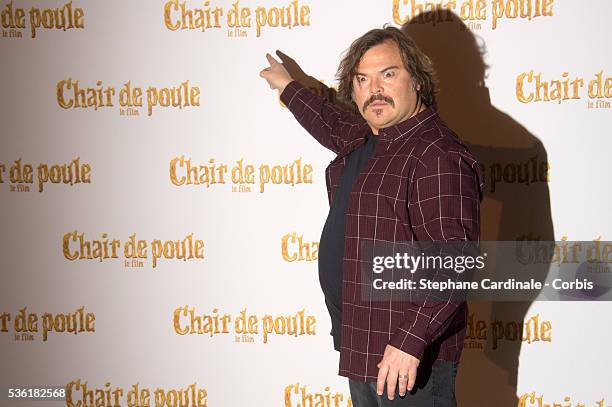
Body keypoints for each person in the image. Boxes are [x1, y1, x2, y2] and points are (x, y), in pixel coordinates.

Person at [260, 25, 483, 406]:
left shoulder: (436, 155)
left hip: (409, 356)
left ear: (417, 81)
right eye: (362, 79)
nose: (373, 89)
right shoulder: (373, 138)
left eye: (388, 74)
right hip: (363, 342)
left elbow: (454, 262)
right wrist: (287, 86)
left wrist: (409, 343)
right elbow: (330, 121)